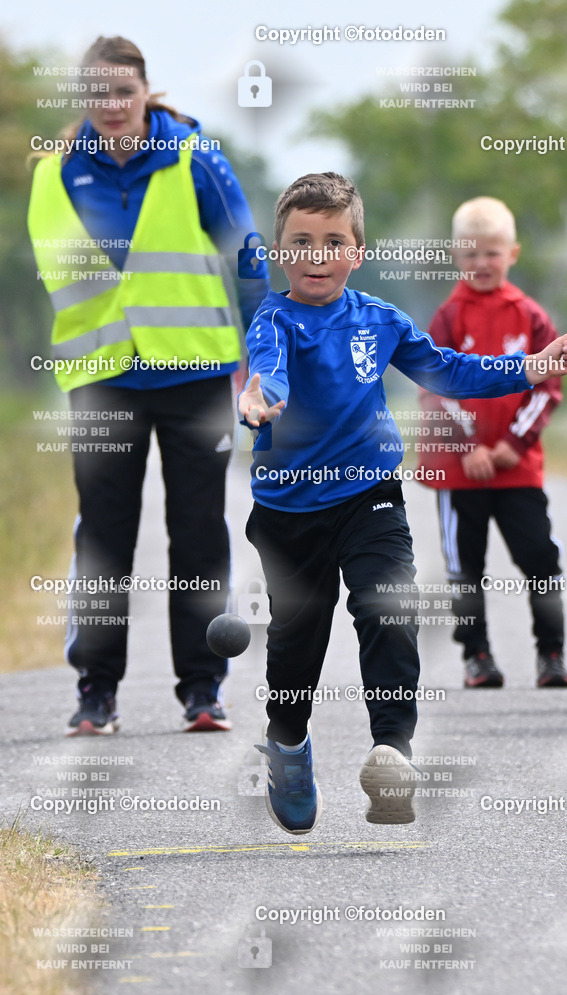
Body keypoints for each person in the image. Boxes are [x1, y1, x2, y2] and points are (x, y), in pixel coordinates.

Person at [237, 172, 567, 835]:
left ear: (356, 252)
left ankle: (391, 753)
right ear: (281, 250)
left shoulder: (380, 320)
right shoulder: (273, 318)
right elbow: (268, 367)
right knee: (296, 644)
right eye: (301, 242)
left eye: (332, 241)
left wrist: (530, 367)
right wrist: (257, 397)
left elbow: (448, 368)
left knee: (387, 607)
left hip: (369, 493)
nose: (317, 255)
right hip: (287, 512)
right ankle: (287, 747)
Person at [28, 36, 268, 736]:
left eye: (122, 92)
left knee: (197, 531)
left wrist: (261, 353)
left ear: (144, 91)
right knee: (104, 534)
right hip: (102, 378)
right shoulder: (56, 174)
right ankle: (95, 691)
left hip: (194, 368)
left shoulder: (198, 157)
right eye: (97, 94)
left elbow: (247, 253)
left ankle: (202, 689)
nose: (111, 106)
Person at [416, 197, 567, 690]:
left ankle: (551, 654)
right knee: (466, 564)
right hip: (460, 470)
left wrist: (511, 444)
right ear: (456, 256)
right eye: (470, 254)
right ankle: (477, 655)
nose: (481, 264)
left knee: (540, 558)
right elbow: (434, 384)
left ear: (513, 253)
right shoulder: (447, 317)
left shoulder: (531, 317)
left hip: (516, 467)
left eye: (492, 253)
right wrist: (470, 446)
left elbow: (547, 386)